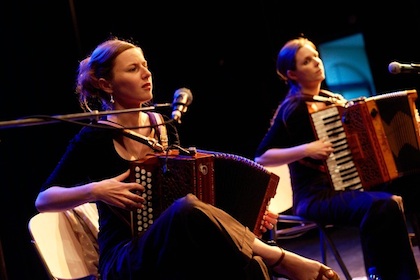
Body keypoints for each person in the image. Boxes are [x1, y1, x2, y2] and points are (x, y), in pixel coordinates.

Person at [34, 37, 340, 280]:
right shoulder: (95, 137)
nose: (146, 74)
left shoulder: (161, 127)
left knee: (248, 263)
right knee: (190, 211)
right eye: (132, 69)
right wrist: (95, 190)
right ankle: (283, 260)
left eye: (145, 65)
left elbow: (190, 196)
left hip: (175, 241)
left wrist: (242, 218)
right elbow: (44, 199)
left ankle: (269, 258)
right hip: (126, 257)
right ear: (106, 84)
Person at [254, 36, 420, 280]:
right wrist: (306, 149)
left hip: (344, 187)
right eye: (306, 61)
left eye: (315, 57)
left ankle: (394, 274)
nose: (316, 63)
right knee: (384, 205)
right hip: (314, 196)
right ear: (292, 74)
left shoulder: (333, 100)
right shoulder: (292, 108)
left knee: (400, 193)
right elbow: (261, 157)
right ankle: (390, 275)